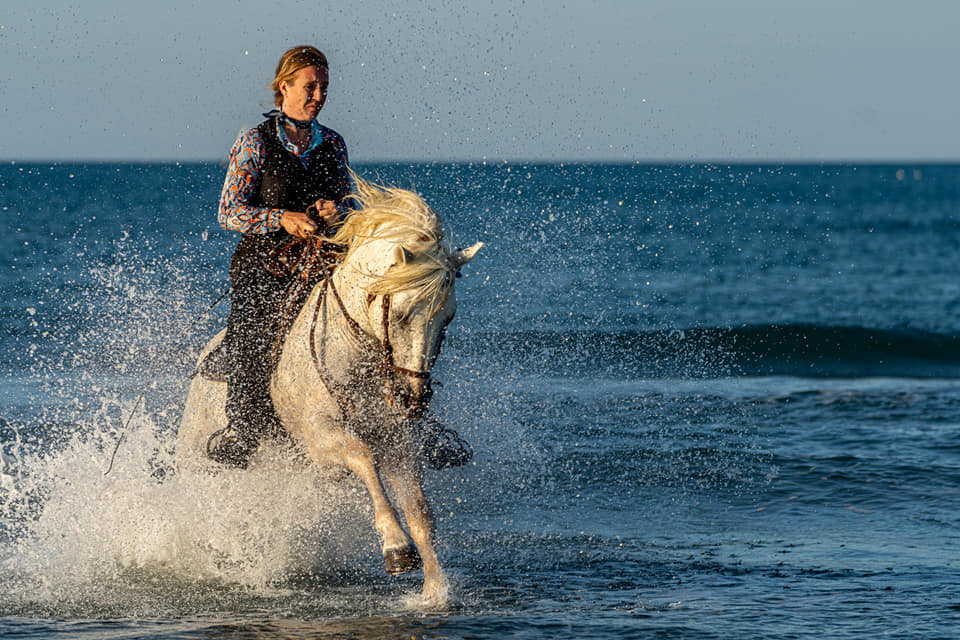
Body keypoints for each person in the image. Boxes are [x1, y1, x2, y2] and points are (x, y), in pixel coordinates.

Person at [208, 45, 352, 467]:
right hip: (265, 262)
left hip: (322, 257)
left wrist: (337, 212)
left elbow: (351, 206)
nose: (318, 95)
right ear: (284, 86)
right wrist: (282, 218)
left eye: (324, 88)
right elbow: (229, 211)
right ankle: (242, 426)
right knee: (253, 324)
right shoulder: (255, 142)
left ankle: (415, 417)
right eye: (310, 87)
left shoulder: (334, 144)